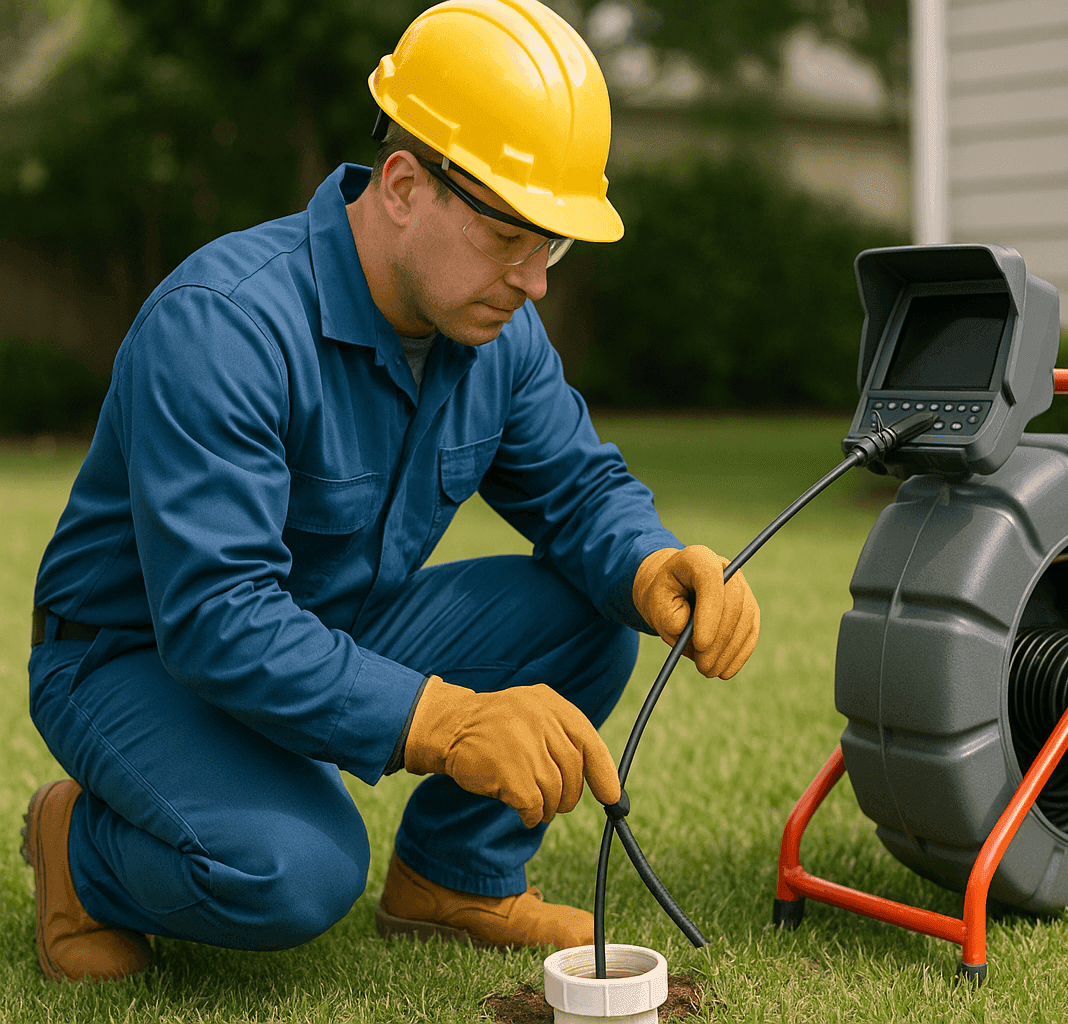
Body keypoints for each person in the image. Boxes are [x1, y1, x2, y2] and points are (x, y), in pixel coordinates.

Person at [22, 0, 759, 983]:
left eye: (557, 245)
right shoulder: (224, 326)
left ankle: (454, 880)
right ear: (406, 185)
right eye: (515, 236)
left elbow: (580, 493)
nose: (537, 280)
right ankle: (78, 850)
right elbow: (216, 619)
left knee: (591, 609)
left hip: (326, 627)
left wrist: (652, 562)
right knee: (298, 872)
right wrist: (448, 722)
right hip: (136, 662)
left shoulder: (492, 332)